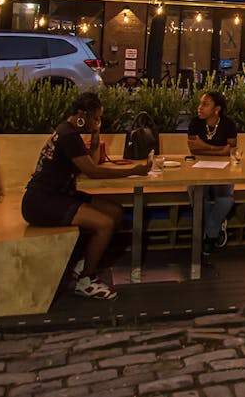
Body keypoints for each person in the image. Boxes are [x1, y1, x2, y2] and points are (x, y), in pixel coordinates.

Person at [21, 92, 149, 300]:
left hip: (61, 194)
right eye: (95, 118)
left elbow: (93, 162)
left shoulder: (70, 131)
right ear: (82, 115)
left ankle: (84, 261)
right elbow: (93, 172)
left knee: (115, 211)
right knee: (105, 224)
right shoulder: (68, 135)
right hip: (43, 202)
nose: (98, 122)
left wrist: (96, 134)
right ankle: (86, 280)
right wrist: (134, 170)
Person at [187, 91, 239, 254]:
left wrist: (205, 147)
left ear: (217, 109)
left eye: (205, 104)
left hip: (223, 168)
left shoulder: (228, 124)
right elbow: (193, 148)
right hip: (197, 167)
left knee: (225, 195)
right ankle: (214, 229)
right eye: (200, 103)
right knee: (196, 193)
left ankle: (209, 232)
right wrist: (218, 149)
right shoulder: (195, 123)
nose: (199, 108)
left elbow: (229, 150)